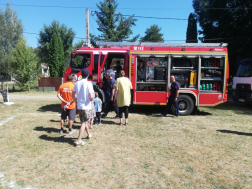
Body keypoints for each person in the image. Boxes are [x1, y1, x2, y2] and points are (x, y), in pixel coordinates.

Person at [72, 69, 94, 147]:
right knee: (84, 123)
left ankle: (88, 134)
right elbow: (91, 96)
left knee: (84, 121)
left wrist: (76, 101)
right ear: (88, 75)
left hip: (80, 106)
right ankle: (79, 140)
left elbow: (73, 94)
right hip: (86, 106)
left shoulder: (77, 83)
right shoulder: (89, 83)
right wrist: (91, 99)